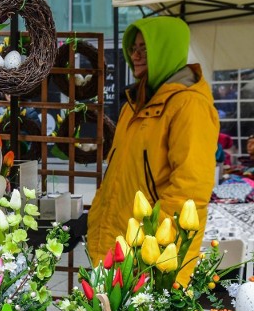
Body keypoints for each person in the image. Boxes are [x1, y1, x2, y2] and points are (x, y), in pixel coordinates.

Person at [87, 16, 219, 286]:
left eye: (145, 48)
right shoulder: (133, 105)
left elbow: (188, 195)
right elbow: (120, 176)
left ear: (165, 50)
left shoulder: (188, 106)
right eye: (133, 48)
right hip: (114, 248)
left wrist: (163, 268)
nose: (135, 55)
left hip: (145, 260)